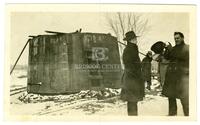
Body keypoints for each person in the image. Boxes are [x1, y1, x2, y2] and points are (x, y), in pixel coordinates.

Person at [162, 32, 189, 116]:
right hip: (171, 78)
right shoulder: (173, 48)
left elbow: (181, 56)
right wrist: (166, 49)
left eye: (177, 38)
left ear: (182, 38)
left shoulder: (187, 48)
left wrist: (171, 50)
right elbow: (166, 57)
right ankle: (172, 115)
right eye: (175, 38)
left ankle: (188, 116)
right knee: (171, 97)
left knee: (184, 98)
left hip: (181, 78)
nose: (176, 40)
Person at [121, 31, 144, 116]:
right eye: (134, 38)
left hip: (133, 79)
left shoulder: (132, 49)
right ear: (131, 40)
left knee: (133, 101)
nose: (136, 40)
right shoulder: (129, 50)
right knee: (132, 101)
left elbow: (135, 63)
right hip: (132, 79)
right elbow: (129, 65)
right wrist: (137, 75)